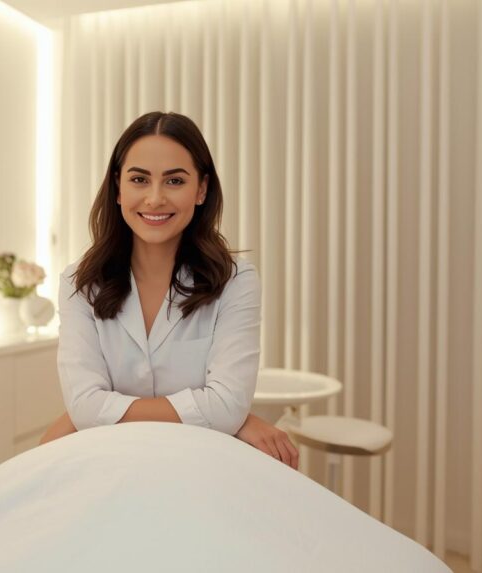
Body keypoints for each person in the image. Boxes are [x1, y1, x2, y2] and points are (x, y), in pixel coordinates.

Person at [39, 111, 298, 469]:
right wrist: (231, 418)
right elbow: (84, 406)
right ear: (118, 188)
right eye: (139, 179)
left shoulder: (236, 282)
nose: (155, 198)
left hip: (200, 468)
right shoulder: (78, 284)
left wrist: (93, 412)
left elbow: (226, 406)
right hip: (107, 466)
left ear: (201, 189)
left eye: (174, 181)